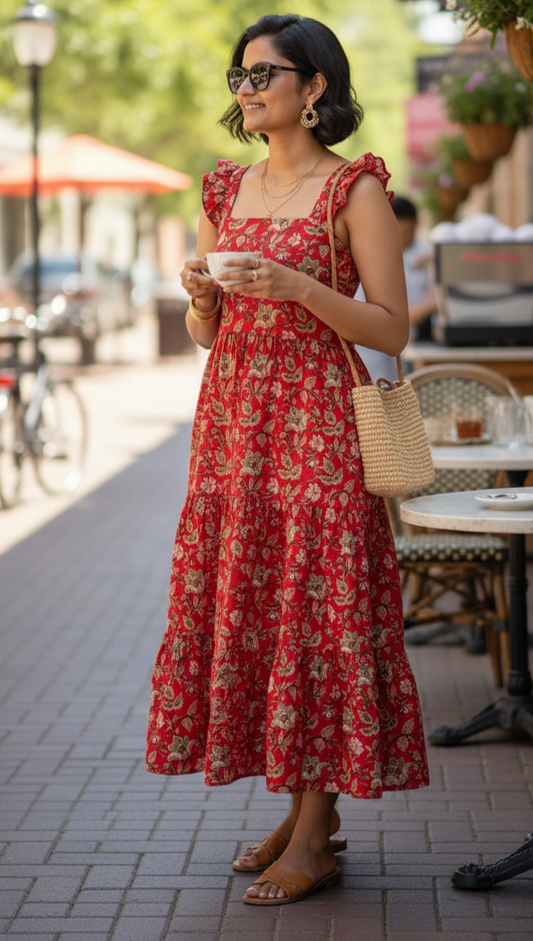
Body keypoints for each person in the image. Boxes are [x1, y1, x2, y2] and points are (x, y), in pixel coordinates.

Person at [146, 13, 429, 906]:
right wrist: (199, 299)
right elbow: (206, 336)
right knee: (263, 606)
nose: (249, 88)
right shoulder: (225, 190)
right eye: (239, 77)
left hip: (317, 427)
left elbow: (391, 326)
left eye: (265, 74)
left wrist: (303, 287)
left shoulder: (355, 189)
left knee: (318, 610)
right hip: (234, 430)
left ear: (315, 87)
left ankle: (313, 829)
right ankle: (307, 813)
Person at [354, 195, 438, 382]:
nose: (405, 240)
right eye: (401, 233)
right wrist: (433, 303)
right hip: (375, 359)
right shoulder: (368, 263)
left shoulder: (421, 252)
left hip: (409, 354)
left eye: (410, 233)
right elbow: (397, 318)